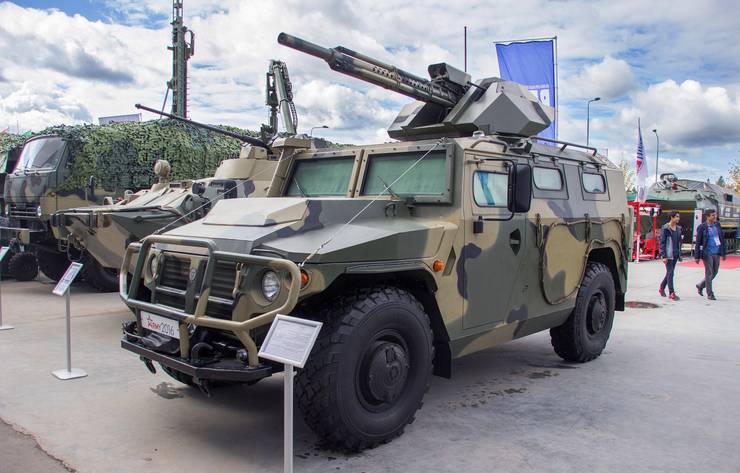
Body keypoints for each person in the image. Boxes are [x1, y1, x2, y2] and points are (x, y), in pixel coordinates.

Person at [694, 209, 726, 300]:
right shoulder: (702, 227)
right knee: (709, 273)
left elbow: (721, 239)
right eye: (713, 215)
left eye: (715, 215)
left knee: (715, 272)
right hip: (707, 253)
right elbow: (698, 242)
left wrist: (723, 253)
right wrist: (697, 256)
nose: (715, 216)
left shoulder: (717, 225)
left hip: (717, 252)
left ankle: (700, 285)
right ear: (707, 217)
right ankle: (710, 293)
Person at [659, 211, 682, 300]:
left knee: (670, 273)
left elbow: (679, 242)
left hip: (675, 254)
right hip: (668, 255)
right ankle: (671, 293)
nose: (678, 218)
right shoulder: (665, 228)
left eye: (678, 217)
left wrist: (680, 253)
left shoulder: (679, 228)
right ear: (672, 217)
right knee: (670, 273)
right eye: (677, 217)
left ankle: (662, 287)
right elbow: (662, 242)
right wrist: (664, 256)